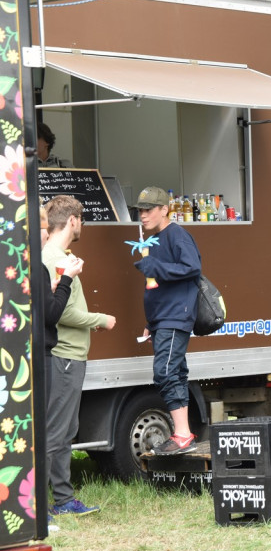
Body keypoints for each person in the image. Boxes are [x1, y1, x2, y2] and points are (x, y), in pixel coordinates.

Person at [42, 195, 115, 516]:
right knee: (57, 433)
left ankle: (60, 500)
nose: (81, 225)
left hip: (69, 356)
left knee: (64, 430)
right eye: (81, 219)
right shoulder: (54, 258)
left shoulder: (58, 255)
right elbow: (61, 313)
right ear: (72, 220)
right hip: (64, 357)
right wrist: (101, 319)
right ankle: (42, 508)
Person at [133, 186, 202, 455]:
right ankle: (183, 434)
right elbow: (160, 286)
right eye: (140, 210)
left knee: (165, 372)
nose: (143, 214)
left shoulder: (177, 235)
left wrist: (155, 268)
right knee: (176, 373)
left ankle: (183, 435)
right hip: (163, 319)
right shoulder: (157, 238)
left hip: (175, 317)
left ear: (165, 209)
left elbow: (192, 268)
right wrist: (151, 323)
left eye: (148, 209)